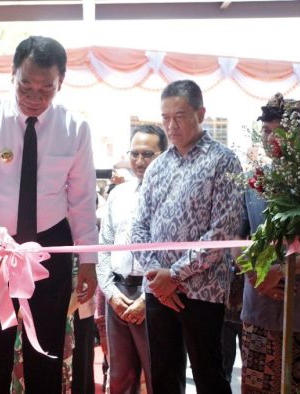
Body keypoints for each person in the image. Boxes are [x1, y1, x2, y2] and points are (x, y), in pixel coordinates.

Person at [0, 35, 99, 393]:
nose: (34, 99)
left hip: (50, 242)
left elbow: (82, 200)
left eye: (45, 89)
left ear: (61, 82)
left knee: (47, 346)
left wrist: (91, 262)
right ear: (12, 74)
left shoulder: (75, 129)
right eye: (25, 87)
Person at [131, 79, 243, 394]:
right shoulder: (157, 167)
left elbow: (222, 231)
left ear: (200, 113)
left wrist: (175, 275)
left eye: (179, 115)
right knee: (164, 375)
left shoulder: (223, 160)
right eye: (165, 117)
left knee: (210, 375)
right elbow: (138, 228)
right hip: (157, 290)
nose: (171, 125)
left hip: (202, 290)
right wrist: (157, 276)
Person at [239, 93, 300, 393]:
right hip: (259, 305)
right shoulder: (251, 181)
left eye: (278, 130)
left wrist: (282, 270)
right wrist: (256, 274)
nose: (270, 139)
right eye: (266, 131)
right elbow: (234, 239)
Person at [97, 124, 167, 394]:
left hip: (157, 296)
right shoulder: (118, 194)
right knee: (119, 380)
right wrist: (111, 292)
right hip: (118, 294)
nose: (139, 161)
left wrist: (146, 298)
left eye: (148, 154)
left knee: (159, 377)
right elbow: (104, 246)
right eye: (134, 153)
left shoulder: (173, 195)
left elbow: (174, 255)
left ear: (163, 154)